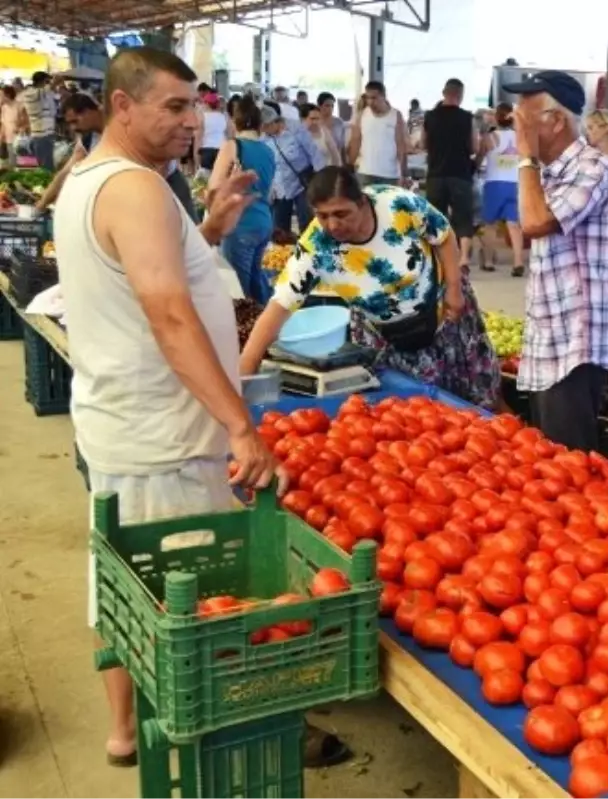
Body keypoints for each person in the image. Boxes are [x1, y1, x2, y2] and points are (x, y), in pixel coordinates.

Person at [50, 46, 299, 770]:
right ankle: (192, 738)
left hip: (121, 418)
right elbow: (168, 313)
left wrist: (211, 229)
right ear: (122, 106)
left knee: (125, 585)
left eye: (196, 106)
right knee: (185, 596)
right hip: (164, 433)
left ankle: (125, 729)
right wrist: (238, 423)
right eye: (174, 106)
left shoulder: (93, 180)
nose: (192, 123)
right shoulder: (135, 188)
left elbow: (140, 278)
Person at [239, 167, 499, 407]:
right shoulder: (315, 248)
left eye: (341, 214)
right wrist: (244, 373)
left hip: (444, 311)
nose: (332, 225)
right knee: (419, 408)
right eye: (322, 216)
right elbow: (278, 307)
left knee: (475, 393)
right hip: (385, 334)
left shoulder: (397, 205)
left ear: (362, 203)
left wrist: (454, 288)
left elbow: (443, 236)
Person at [503, 70, 608, 450]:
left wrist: (525, 159)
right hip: (554, 340)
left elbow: (535, 223)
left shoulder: (592, 167)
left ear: (556, 121)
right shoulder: (553, 173)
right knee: (551, 459)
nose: (517, 128)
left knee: (569, 466)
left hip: (577, 345)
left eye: (524, 118)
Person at [208, 96, 277, 304]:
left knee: (239, 287)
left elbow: (214, 187)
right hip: (264, 221)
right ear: (259, 124)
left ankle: (250, 332)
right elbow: (271, 191)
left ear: (234, 121)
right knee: (257, 278)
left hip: (240, 222)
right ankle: (268, 326)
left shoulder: (232, 146)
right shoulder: (268, 150)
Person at [424, 78, 478, 266]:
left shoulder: (430, 116)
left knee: (436, 216)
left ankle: (438, 256)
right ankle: (463, 258)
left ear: (444, 93)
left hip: (436, 173)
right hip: (460, 173)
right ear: (460, 95)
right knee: (463, 216)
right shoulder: (467, 117)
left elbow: (424, 143)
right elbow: (474, 147)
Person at [262, 101, 325, 232]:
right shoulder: (263, 138)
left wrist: (320, 182)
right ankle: (283, 251)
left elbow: (314, 154)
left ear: (275, 122)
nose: (264, 130)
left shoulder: (296, 129)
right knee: (279, 229)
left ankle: (306, 251)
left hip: (301, 184)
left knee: (307, 224)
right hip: (278, 188)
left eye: (266, 126)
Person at [35, 93, 104, 210]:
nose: (73, 128)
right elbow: (66, 171)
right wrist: (43, 202)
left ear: (88, 112)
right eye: (70, 123)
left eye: (75, 121)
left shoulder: (120, 126)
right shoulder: (87, 138)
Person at [478, 102, 524, 276]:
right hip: (515, 183)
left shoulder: (490, 137)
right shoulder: (520, 136)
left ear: (497, 117)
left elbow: (480, 155)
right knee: (514, 224)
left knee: (490, 225)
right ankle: (518, 261)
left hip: (494, 183)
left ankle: (489, 262)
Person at [347, 80, 408, 187]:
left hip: (389, 174)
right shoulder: (362, 115)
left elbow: (401, 146)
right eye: (368, 97)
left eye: (374, 98)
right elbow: (355, 142)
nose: (370, 102)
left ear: (383, 96)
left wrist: (403, 174)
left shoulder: (395, 116)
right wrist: (349, 166)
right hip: (365, 172)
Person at [19, 71, 57, 169]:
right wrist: (55, 82)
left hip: (48, 133)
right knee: (45, 165)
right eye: (47, 81)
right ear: (42, 81)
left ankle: (47, 181)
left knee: (48, 163)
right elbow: (46, 90)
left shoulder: (43, 93)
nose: (48, 84)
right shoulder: (30, 93)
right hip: (41, 134)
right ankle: (46, 183)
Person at [194, 91, 231, 171]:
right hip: (221, 150)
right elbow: (229, 136)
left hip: (206, 151)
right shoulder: (224, 116)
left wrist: (196, 159)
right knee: (219, 177)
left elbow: (198, 139)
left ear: (206, 104)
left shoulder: (202, 117)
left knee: (204, 180)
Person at [301, 102, 342, 167]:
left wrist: (338, 171)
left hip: (325, 173)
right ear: (302, 119)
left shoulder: (324, 132)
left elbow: (335, 154)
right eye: (312, 119)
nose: (315, 122)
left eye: (318, 119)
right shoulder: (296, 136)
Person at [316, 91, 348, 157]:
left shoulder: (339, 122)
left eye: (332, 106)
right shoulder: (315, 123)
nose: (330, 108)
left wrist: (344, 164)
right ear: (319, 106)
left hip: (336, 162)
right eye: (327, 105)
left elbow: (342, 146)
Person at [0, 86, 23, 167]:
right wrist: (1, 136)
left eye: (1, 95)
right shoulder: (3, 108)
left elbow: (26, 121)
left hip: (19, 140)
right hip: (8, 139)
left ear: (8, 95)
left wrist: (19, 126)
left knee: (21, 163)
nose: (0, 98)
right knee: (11, 163)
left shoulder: (20, 106)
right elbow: (3, 123)